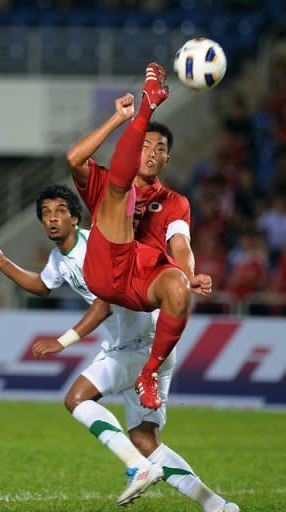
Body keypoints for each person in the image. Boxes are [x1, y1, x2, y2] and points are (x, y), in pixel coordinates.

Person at [0, 184, 239, 512]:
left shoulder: (96, 247)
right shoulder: (60, 257)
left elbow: (105, 300)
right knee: (146, 441)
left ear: (76, 217)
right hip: (144, 347)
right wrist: (3, 263)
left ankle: (138, 467)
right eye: (45, 214)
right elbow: (43, 285)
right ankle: (218, 506)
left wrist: (63, 341)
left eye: (60, 210)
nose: (52, 218)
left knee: (77, 398)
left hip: (141, 343)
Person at [66, 63, 212, 411]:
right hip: (103, 270)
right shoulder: (105, 180)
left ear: (166, 159)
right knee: (120, 193)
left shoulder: (175, 202)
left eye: (159, 148)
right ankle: (147, 107)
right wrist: (119, 119)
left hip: (138, 284)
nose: (151, 152)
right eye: (144, 144)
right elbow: (74, 158)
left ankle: (149, 373)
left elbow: (181, 244)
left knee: (177, 286)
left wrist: (188, 277)